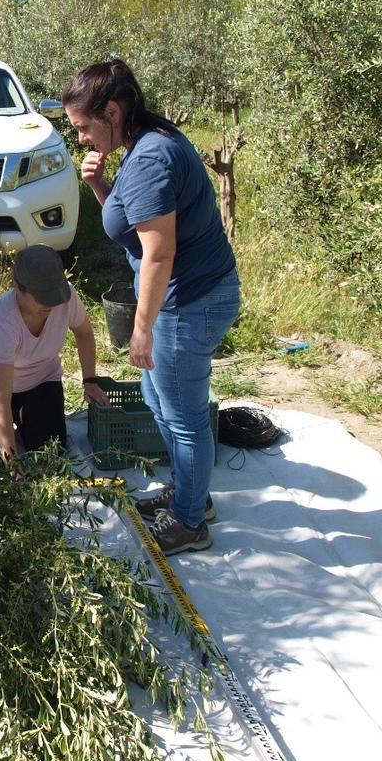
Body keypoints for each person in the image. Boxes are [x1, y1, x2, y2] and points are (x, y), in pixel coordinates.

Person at [63, 60, 240, 556]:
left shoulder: (151, 158)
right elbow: (131, 224)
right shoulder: (146, 142)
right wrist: (100, 187)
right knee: (160, 400)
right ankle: (190, 495)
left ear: (113, 111)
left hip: (188, 303)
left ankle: (189, 521)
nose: (79, 137)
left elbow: (160, 252)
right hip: (177, 299)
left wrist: (141, 330)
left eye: (82, 126)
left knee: (183, 416)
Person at [0, 244, 110, 462]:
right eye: (41, 296)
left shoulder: (67, 296)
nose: (50, 303)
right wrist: (12, 464)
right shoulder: (2, 314)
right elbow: (0, 397)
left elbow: (84, 333)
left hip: (40, 379)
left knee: (50, 452)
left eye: (54, 294)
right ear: (17, 288)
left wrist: (90, 381)